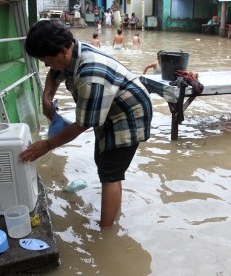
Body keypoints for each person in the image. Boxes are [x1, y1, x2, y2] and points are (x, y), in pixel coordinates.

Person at [20, 20, 153, 228]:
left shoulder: (90, 74)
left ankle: (106, 231)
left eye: (47, 60)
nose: (46, 65)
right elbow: (55, 73)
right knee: (104, 163)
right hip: (110, 108)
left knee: (110, 171)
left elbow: (83, 124)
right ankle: (113, 212)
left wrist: (46, 145)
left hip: (129, 114)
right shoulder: (72, 52)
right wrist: (46, 97)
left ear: (63, 51)